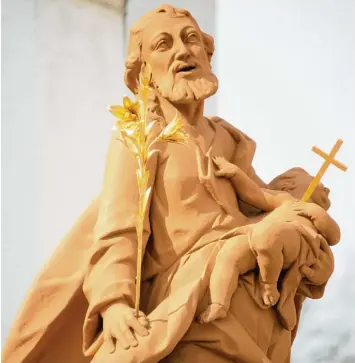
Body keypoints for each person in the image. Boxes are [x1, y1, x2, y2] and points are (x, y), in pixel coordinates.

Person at [2, 5, 337, 363]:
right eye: (164, 44)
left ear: (207, 56)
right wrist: (113, 304)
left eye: (192, 39)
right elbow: (119, 232)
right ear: (144, 72)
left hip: (255, 306)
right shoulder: (140, 139)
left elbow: (256, 202)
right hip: (188, 311)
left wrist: (294, 203)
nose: (182, 50)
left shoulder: (230, 140)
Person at [198, 158, 340, 324]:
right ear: (288, 186)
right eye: (318, 184)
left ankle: (268, 284)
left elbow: (334, 236)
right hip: (258, 239)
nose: (327, 190)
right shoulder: (286, 200)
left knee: (269, 236)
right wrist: (236, 174)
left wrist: (317, 213)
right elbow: (256, 194)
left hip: (295, 239)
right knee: (229, 254)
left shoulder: (315, 213)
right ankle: (219, 303)